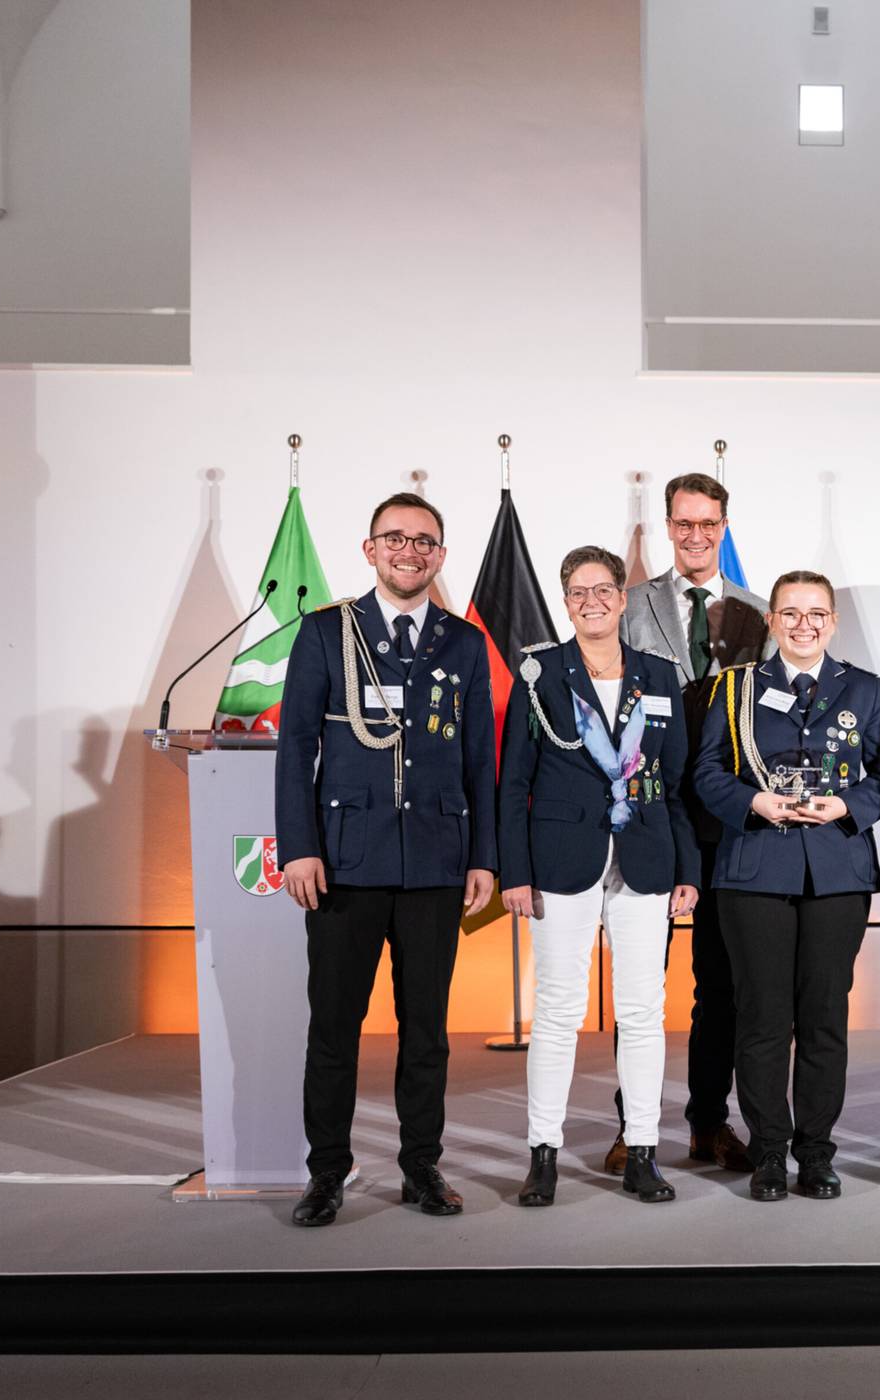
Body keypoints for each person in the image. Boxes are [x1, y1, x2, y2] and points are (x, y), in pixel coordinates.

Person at [276, 492, 496, 1227]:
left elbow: (478, 761)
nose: (411, 551)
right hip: (345, 862)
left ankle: (421, 1167)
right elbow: (295, 749)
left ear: (440, 554)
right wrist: (300, 848)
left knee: (426, 1031)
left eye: (425, 541)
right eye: (395, 539)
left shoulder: (462, 644)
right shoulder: (326, 632)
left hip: (435, 862)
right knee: (334, 1028)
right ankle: (327, 1173)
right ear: (369, 549)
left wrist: (484, 859)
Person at [499, 546, 698, 1206]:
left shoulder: (661, 676)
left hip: (645, 859)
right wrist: (514, 873)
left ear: (622, 597)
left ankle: (642, 1150)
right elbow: (513, 784)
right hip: (560, 862)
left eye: (603, 589)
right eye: (578, 591)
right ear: (566, 601)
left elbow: (676, 785)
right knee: (557, 1012)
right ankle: (544, 1155)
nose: (592, 601)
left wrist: (687, 869)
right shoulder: (540, 673)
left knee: (643, 1011)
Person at [693, 570, 880, 1201]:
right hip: (755, 869)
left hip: (836, 871)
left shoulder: (863, 688)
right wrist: (755, 801)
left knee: (826, 1018)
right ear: (773, 621)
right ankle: (770, 1150)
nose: (803, 625)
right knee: (762, 1019)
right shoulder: (734, 689)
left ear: (832, 622)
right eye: (790, 613)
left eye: (816, 614)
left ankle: (816, 1151)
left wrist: (848, 806)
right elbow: (706, 772)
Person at [619, 471, 768, 1173]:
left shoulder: (758, 612)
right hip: (646, 813)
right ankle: (633, 1127)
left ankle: (710, 1122)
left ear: (725, 527)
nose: (696, 535)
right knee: (640, 985)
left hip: (723, 823)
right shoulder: (628, 606)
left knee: (723, 984)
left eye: (709, 524)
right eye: (684, 524)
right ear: (669, 526)